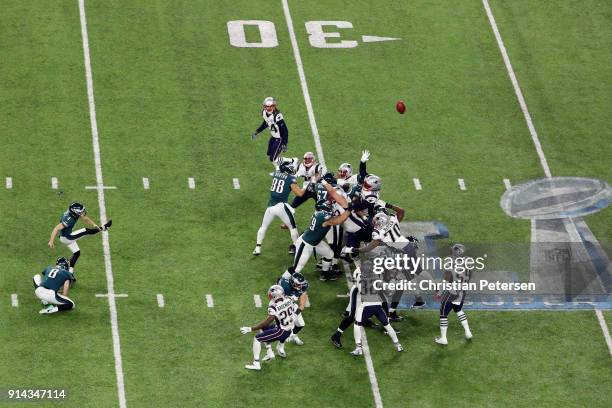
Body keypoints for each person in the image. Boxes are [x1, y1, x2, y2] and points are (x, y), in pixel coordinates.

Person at [253, 158, 306, 256]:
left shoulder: (276, 174)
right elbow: (299, 194)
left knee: (263, 227)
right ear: (287, 169)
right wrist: (306, 186)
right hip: (281, 206)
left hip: (270, 206)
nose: (292, 169)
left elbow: (279, 172)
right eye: (291, 168)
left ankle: (257, 248)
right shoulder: (290, 178)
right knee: (293, 227)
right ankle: (297, 247)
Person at [240, 285, 297, 371]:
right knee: (264, 329)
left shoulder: (273, 306)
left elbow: (267, 322)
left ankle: (256, 363)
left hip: (281, 331)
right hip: (289, 328)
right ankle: (269, 352)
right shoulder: (289, 299)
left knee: (257, 338)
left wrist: (250, 329)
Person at [48, 202, 112, 272]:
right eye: (80, 212)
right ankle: (103, 228)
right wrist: (51, 241)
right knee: (86, 231)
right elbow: (56, 228)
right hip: (67, 237)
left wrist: (94, 225)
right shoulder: (69, 219)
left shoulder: (73, 214)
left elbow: (85, 218)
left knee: (77, 253)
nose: (82, 213)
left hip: (67, 236)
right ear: (75, 212)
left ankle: (70, 273)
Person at [434, 244, 473, 345]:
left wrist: (439, 293)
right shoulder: (468, 264)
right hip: (462, 292)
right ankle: (468, 332)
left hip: (451, 293)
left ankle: (443, 338)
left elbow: (446, 281)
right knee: (458, 310)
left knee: (443, 314)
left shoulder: (451, 265)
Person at [251, 97, 288, 164]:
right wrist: (257, 132)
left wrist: (284, 143)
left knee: (272, 158)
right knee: (269, 153)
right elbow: (266, 123)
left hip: (279, 138)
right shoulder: (264, 113)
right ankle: (279, 165)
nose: (268, 108)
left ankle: (291, 161)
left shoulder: (277, 116)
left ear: (274, 106)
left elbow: (285, 130)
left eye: (271, 107)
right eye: (267, 107)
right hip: (273, 136)